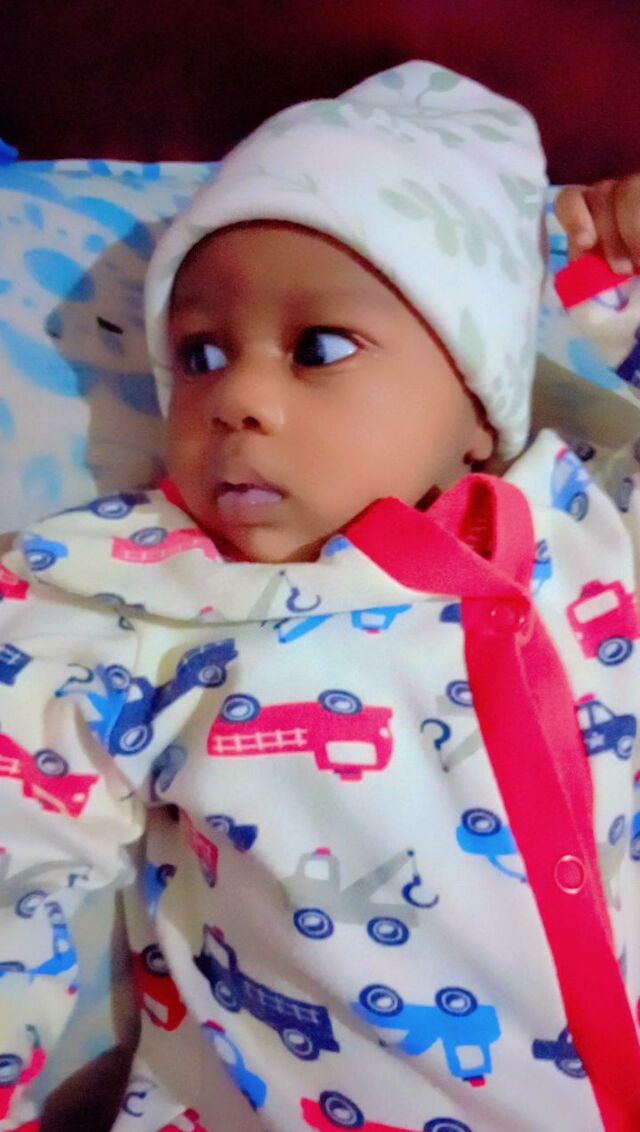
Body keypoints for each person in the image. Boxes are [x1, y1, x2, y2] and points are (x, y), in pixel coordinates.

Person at [1, 60, 640, 1132]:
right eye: (199, 354)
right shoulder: (137, 595)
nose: (236, 399)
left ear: (478, 407)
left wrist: (614, 276)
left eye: (320, 349)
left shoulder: (590, 523)